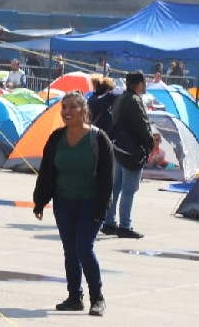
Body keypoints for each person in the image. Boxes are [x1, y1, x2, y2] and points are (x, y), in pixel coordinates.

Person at [32, 92, 114, 317]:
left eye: (72, 107)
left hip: (90, 202)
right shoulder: (56, 138)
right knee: (70, 250)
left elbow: (107, 178)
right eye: (64, 107)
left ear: (84, 111)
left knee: (84, 248)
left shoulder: (98, 139)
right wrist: (40, 200)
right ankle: (74, 297)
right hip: (63, 201)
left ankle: (97, 297)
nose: (66, 111)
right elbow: (47, 171)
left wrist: (101, 208)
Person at [100, 71, 153, 239]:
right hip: (132, 151)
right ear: (139, 84)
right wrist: (149, 144)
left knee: (115, 187)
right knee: (129, 190)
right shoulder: (134, 101)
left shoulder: (120, 98)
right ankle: (124, 225)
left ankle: (109, 222)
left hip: (118, 148)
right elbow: (142, 126)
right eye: (144, 83)